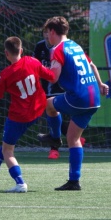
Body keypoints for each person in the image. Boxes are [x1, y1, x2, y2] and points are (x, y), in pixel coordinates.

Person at [0, 36, 55, 193]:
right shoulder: (33, 61)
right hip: (37, 111)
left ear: (6, 53)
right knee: (7, 141)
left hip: (19, 116)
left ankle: (20, 183)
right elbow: (51, 76)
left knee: (8, 150)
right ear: (21, 50)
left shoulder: (6, 74)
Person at [37, 16, 109, 191]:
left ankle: (54, 137)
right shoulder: (75, 46)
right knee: (73, 138)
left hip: (78, 97)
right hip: (93, 98)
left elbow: (53, 76)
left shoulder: (57, 49)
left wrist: (36, 69)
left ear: (53, 32)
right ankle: (74, 181)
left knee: (48, 104)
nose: (47, 37)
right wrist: (100, 84)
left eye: (48, 34)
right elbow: (92, 66)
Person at [33, 31, 86, 160]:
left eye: (49, 33)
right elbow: (34, 66)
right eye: (45, 32)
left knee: (53, 113)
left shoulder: (64, 48)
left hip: (61, 88)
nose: (47, 35)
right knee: (52, 114)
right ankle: (72, 138)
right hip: (46, 88)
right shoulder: (40, 47)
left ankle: (55, 148)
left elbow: (88, 64)